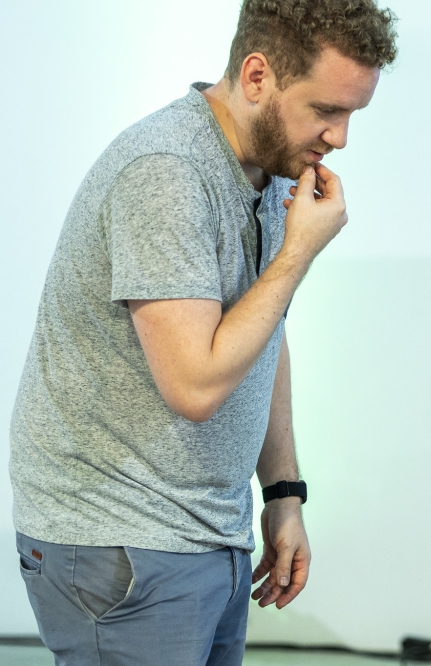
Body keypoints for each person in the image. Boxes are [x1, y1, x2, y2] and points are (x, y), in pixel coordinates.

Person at [9, 1, 396, 664]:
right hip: (122, 542)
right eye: (326, 111)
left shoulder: (268, 172)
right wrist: (298, 253)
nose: (340, 137)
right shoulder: (166, 172)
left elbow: (262, 335)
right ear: (256, 77)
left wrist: (283, 494)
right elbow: (194, 385)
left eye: (352, 114)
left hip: (205, 534)